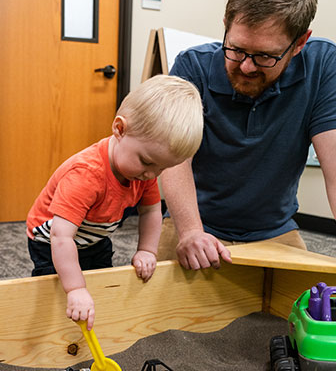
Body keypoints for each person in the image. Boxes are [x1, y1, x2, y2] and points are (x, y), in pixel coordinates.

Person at [158, 0, 336, 299]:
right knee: (162, 309)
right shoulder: (193, 66)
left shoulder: (324, 64)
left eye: (265, 56)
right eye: (237, 49)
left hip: (273, 230)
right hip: (194, 223)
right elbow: (174, 156)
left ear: (299, 42)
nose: (246, 67)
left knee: (303, 311)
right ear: (226, 25)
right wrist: (189, 231)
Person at [26, 75, 203, 330]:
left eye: (163, 168)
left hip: (95, 234)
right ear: (119, 129)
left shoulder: (146, 172)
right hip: (51, 238)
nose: (152, 175)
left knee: (101, 281)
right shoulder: (86, 175)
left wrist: (147, 250)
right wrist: (75, 288)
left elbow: (152, 211)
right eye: (147, 162)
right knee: (57, 287)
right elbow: (61, 237)